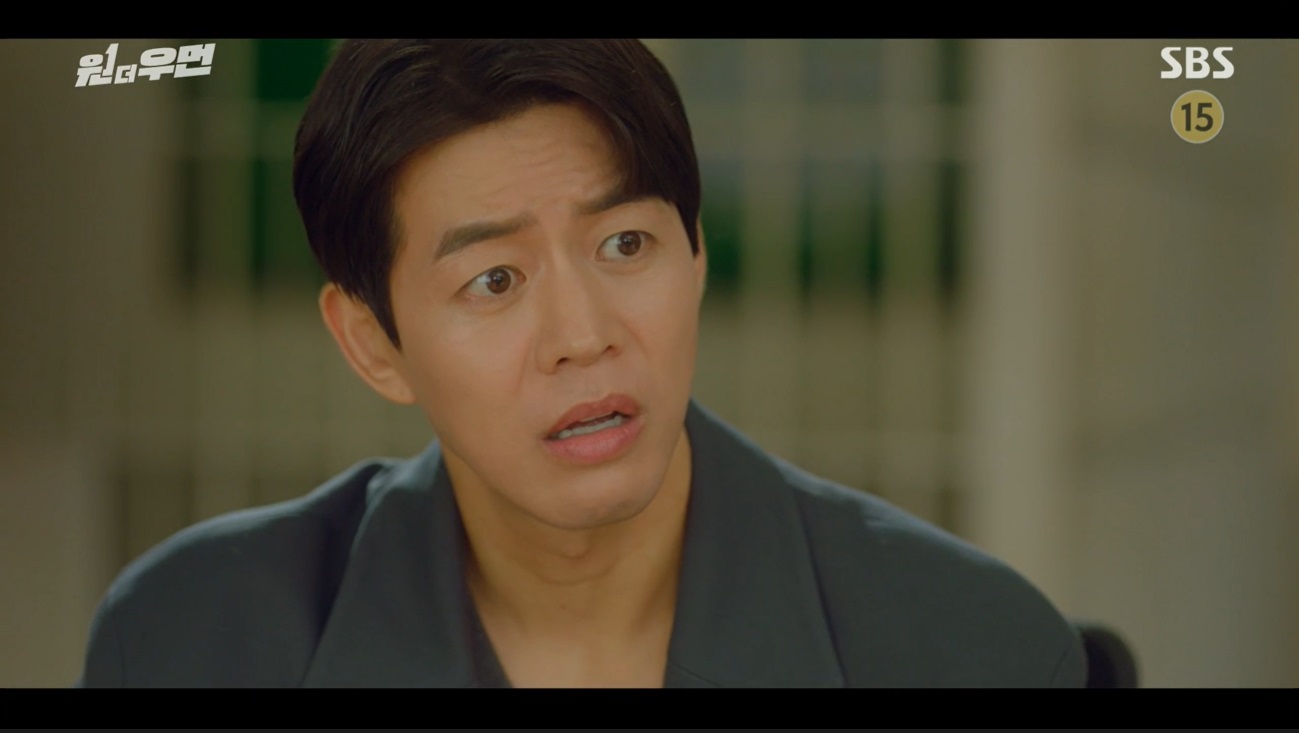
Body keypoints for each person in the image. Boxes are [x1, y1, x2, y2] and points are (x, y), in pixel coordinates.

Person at [77, 39, 1086, 688]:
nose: (583, 333)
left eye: (625, 244)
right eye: (494, 280)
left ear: (696, 254)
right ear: (372, 343)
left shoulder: (971, 646)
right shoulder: (193, 639)